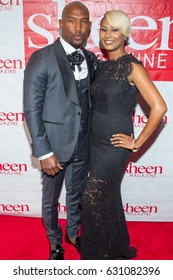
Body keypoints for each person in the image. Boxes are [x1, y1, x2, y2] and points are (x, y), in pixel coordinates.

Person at [80, 10, 167, 260]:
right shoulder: (102, 66)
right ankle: (114, 247)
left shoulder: (132, 67)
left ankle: (97, 256)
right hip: (95, 142)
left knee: (91, 196)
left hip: (115, 145)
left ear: (125, 34)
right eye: (104, 29)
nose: (108, 35)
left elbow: (159, 107)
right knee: (107, 196)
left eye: (114, 30)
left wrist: (137, 142)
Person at [23, 1, 97, 260]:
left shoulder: (91, 58)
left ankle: (74, 232)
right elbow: (32, 109)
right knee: (51, 200)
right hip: (54, 148)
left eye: (84, 21)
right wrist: (44, 152)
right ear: (61, 23)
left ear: (89, 26)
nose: (78, 27)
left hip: (84, 145)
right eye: (72, 20)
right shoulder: (42, 58)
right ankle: (55, 241)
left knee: (76, 195)